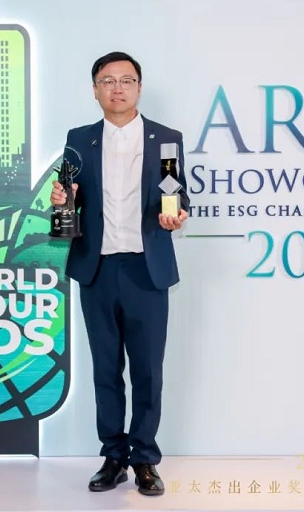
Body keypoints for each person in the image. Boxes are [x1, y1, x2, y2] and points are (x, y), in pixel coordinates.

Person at [50, 51, 189, 496]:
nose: (117, 88)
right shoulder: (79, 139)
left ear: (139, 87)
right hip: (98, 269)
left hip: (147, 270)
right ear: (95, 90)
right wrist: (62, 202)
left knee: (147, 370)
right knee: (106, 370)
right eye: (107, 81)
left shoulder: (166, 140)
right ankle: (114, 457)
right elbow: (69, 203)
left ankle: (145, 458)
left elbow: (174, 192)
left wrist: (175, 214)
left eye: (126, 80)